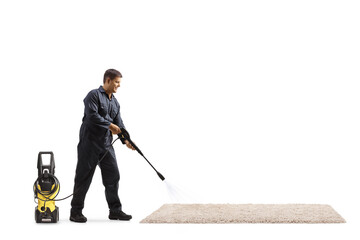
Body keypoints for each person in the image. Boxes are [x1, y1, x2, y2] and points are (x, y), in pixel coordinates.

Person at [70, 69, 135, 223]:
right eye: (117, 82)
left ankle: (115, 211)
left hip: (106, 145)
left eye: (119, 82)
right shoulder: (93, 95)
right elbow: (92, 117)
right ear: (107, 80)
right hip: (89, 144)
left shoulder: (115, 102)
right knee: (83, 178)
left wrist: (126, 139)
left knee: (113, 176)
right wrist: (110, 126)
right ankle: (75, 212)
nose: (119, 85)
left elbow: (119, 123)